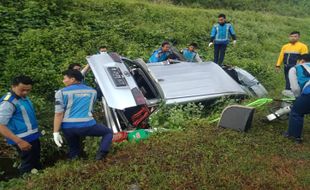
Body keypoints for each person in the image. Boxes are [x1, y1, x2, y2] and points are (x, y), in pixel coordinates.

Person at [53, 70, 113, 160]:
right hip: (87, 125)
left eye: (64, 78)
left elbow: (58, 114)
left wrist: (55, 132)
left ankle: (74, 164)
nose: (63, 81)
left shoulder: (61, 92)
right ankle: (101, 155)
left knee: (74, 148)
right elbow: (90, 108)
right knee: (108, 132)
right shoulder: (93, 91)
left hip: (68, 128)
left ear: (72, 79)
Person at [0, 76, 41, 174]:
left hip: (32, 136)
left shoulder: (23, 98)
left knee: (35, 162)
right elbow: (1, 125)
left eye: (28, 90)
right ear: (13, 86)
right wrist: (19, 141)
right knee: (27, 165)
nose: (25, 93)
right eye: (22, 90)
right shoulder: (8, 102)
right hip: (22, 139)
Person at [284, 54, 310, 143]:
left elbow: (295, 88)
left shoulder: (295, 68)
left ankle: (294, 136)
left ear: (301, 61)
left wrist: (298, 98)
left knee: (296, 112)